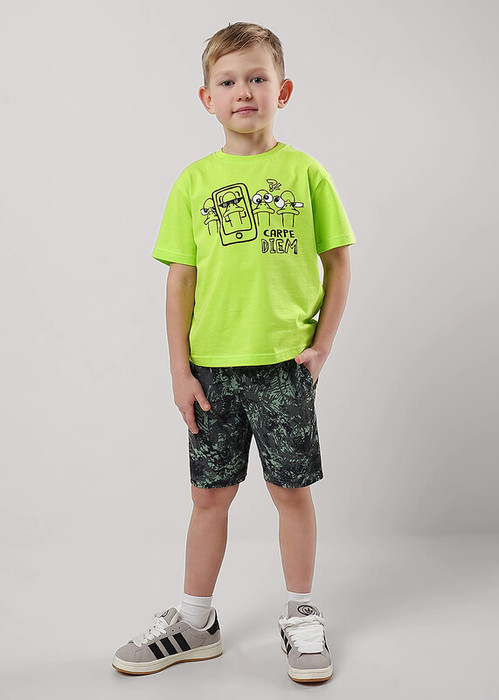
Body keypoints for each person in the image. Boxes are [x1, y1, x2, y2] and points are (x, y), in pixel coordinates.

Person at [112, 21, 355, 684]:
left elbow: (338, 261)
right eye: (228, 81)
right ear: (207, 99)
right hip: (212, 370)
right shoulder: (194, 182)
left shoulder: (305, 173)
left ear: (283, 90)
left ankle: (301, 612)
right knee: (209, 496)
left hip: (283, 367)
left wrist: (321, 345)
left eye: (257, 78)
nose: (243, 91)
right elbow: (179, 281)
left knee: (290, 492)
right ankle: (196, 621)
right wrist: (179, 371)